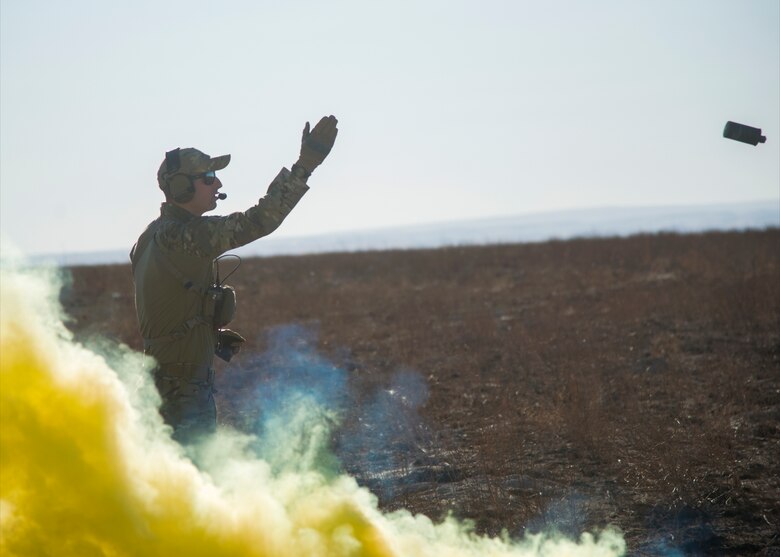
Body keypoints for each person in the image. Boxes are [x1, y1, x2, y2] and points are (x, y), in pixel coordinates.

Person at [130, 115, 338, 444]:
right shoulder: (181, 236)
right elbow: (259, 221)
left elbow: (168, 306)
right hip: (181, 395)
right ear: (182, 187)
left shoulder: (153, 237)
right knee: (190, 483)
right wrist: (304, 167)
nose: (218, 184)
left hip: (173, 387)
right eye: (209, 177)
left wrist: (205, 333)